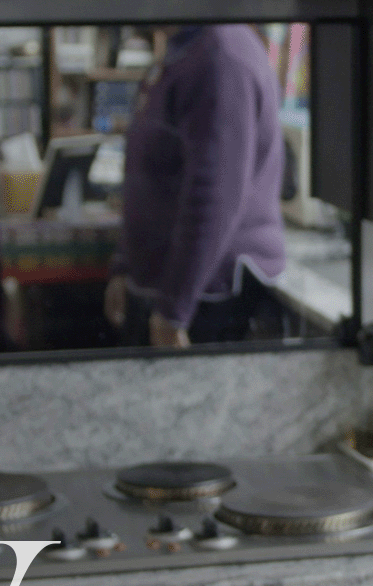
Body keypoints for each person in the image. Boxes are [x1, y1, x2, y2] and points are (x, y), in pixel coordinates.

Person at [104, 25, 288, 347]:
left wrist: (175, 309)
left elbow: (214, 195)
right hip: (170, 292)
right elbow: (145, 173)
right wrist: (125, 266)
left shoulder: (220, 56)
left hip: (207, 299)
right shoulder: (184, 50)